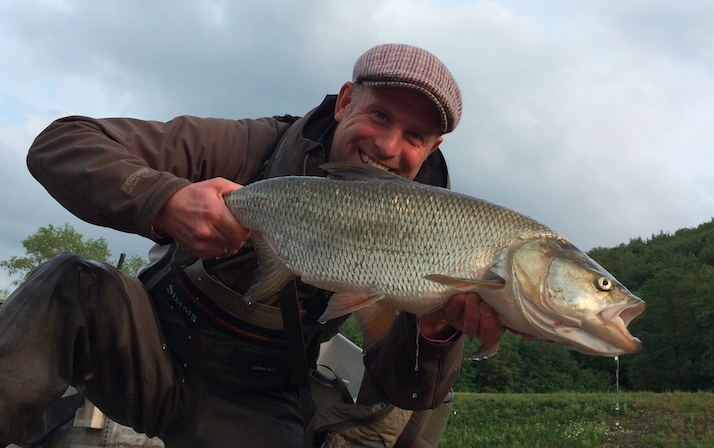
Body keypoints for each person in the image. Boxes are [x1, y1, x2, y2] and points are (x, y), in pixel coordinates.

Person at [0, 44, 507, 447]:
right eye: (379, 116)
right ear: (347, 100)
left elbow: (403, 391)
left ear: (433, 148)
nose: (388, 146)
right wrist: (166, 200)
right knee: (71, 281)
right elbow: (61, 142)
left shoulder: (444, 232)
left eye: (415, 135)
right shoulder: (250, 146)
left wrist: (437, 332)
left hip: (254, 402)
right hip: (142, 349)